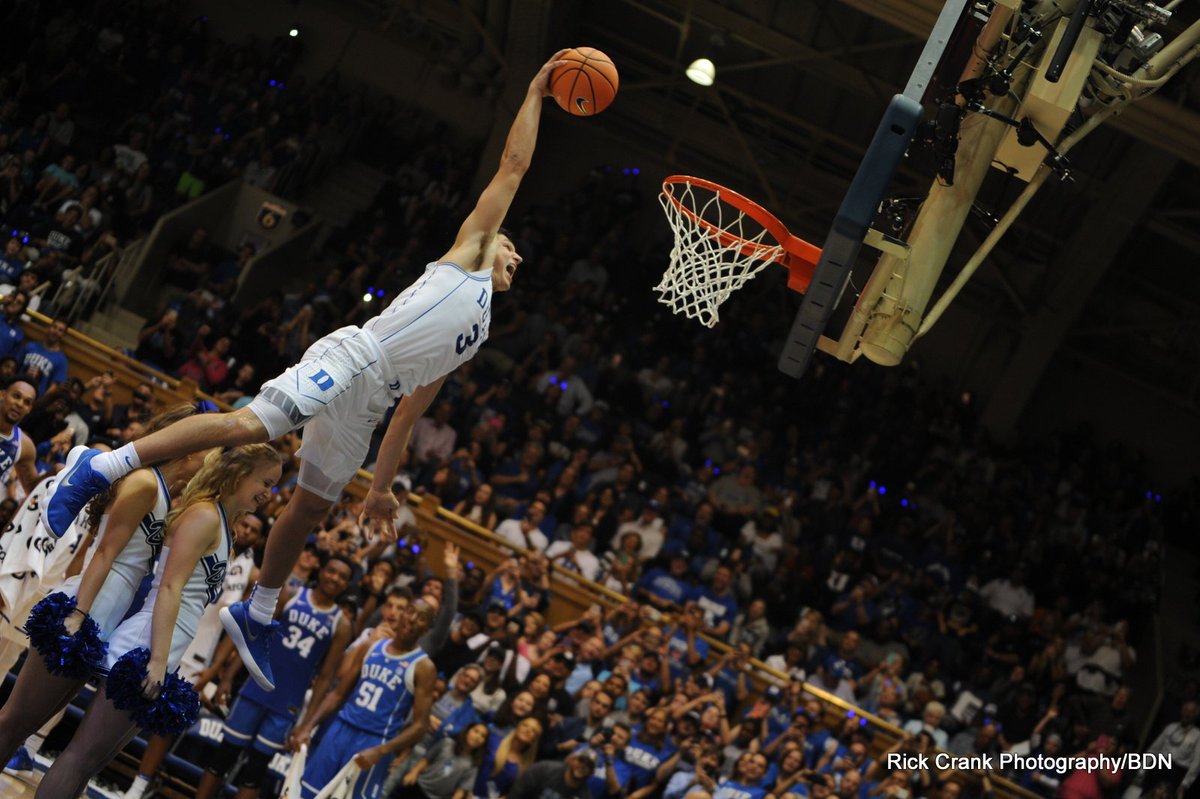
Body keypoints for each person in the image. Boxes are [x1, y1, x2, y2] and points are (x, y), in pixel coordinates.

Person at [43, 51, 571, 693]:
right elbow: (512, 166)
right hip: (355, 355)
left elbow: (413, 410)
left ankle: (257, 609)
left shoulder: (477, 331)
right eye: (516, 249)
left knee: (313, 505)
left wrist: (380, 487)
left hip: (376, 398)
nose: (517, 258)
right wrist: (538, 93)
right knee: (250, 427)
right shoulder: (474, 248)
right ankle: (103, 465)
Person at [23, 443, 282, 798]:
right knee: (80, 759)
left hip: (161, 650)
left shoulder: (224, 526)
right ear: (240, 473)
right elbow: (169, 587)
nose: (269, 494)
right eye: (265, 482)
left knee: (90, 763)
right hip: (145, 647)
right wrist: (157, 659)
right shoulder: (205, 516)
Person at [0, 406, 202, 773]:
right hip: (86, 610)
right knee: (14, 720)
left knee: (24, 725)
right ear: (189, 449)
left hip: (101, 619)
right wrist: (78, 613)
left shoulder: (166, 494)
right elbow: (105, 549)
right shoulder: (143, 483)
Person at [188, 555, 355, 799]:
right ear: (321, 571)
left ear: (346, 585)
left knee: (254, 772)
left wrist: (307, 724)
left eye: (342, 577)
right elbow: (256, 637)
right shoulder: (291, 594)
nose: (335, 578)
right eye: (332, 571)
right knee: (223, 757)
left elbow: (326, 676)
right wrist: (227, 678)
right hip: (255, 690)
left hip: (287, 704)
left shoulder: (341, 624)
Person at [288, 598, 438, 799]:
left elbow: (420, 725)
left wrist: (381, 751)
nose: (412, 619)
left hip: (374, 740)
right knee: (307, 793)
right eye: (410, 611)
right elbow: (338, 694)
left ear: (427, 629)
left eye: (421, 618)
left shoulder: (423, 667)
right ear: (401, 614)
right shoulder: (371, 646)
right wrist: (308, 726)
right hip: (340, 729)